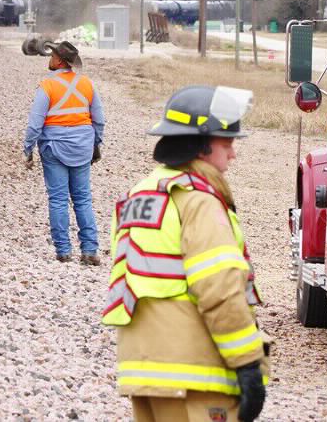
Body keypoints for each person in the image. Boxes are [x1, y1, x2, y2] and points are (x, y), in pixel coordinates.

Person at [103, 85, 267, 422]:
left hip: (144, 370)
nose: (233, 153)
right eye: (228, 142)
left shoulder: (139, 193)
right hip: (194, 373)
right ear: (203, 145)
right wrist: (248, 363)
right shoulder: (198, 200)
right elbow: (218, 288)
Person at [23, 40, 104, 264]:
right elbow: (99, 119)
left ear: (59, 60)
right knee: (83, 198)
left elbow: (35, 123)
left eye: (52, 55)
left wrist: (28, 148)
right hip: (82, 147)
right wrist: (95, 143)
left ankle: (64, 251)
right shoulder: (87, 84)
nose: (50, 58)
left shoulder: (47, 85)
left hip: (54, 147)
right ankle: (89, 250)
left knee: (58, 199)